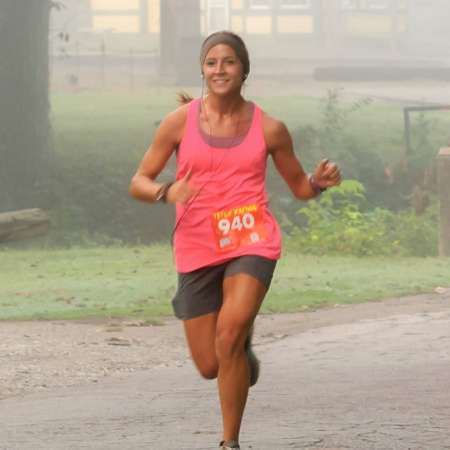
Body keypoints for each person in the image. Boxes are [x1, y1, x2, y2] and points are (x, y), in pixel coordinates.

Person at [129, 30, 341, 450]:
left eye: (229, 62)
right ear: (203, 70)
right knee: (211, 364)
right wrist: (166, 191)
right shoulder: (179, 123)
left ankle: (230, 443)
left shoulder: (270, 128)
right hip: (196, 246)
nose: (219, 69)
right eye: (212, 62)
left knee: (228, 335)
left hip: (251, 239)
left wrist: (319, 182)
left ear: (244, 70)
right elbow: (138, 180)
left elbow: (299, 185)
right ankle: (243, 354)